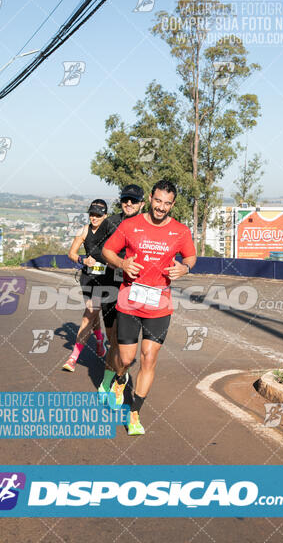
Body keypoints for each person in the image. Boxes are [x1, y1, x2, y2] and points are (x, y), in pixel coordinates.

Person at [102, 179, 196, 435]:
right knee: (125, 358)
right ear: (150, 200)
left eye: (167, 203)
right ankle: (121, 379)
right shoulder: (130, 225)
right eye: (158, 201)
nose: (161, 207)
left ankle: (134, 414)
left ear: (172, 204)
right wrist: (122, 265)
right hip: (130, 301)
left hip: (159, 304)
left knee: (149, 358)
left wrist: (184, 268)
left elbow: (191, 256)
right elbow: (107, 251)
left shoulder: (180, 231)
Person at [96, 184, 145, 398]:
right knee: (112, 340)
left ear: (142, 203)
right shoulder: (112, 222)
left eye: (134, 200)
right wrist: (118, 261)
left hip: (134, 288)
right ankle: (113, 376)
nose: (129, 203)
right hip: (110, 285)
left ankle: (114, 381)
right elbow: (97, 250)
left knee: (119, 338)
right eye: (126, 199)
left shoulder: (147, 225)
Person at [62, 199, 109, 372]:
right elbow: (71, 253)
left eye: (98, 214)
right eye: (92, 214)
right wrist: (83, 259)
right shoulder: (84, 230)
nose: (94, 218)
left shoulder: (111, 231)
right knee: (91, 314)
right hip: (89, 278)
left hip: (107, 280)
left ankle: (80, 353)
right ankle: (93, 344)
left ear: (105, 215)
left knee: (90, 314)